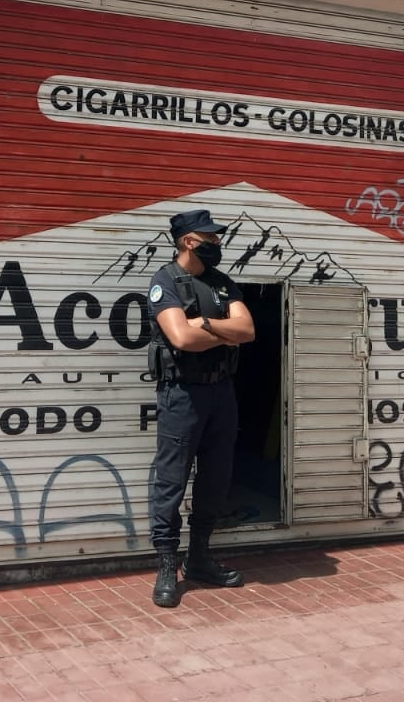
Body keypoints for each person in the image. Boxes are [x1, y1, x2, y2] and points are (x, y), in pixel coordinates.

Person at [145, 208, 256, 608]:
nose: (218, 245)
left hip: (220, 394)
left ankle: (199, 560)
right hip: (182, 396)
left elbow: (247, 331)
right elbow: (180, 339)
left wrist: (205, 325)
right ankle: (165, 566)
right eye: (211, 239)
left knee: (215, 479)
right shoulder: (166, 281)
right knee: (171, 482)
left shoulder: (222, 283)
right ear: (189, 240)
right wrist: (214, 331)